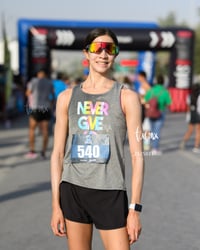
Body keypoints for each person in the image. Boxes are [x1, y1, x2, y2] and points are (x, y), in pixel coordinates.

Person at [50, 28, 144, 250]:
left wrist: (134, 209)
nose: (103, 54)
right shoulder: (66, 98)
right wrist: (56, 205)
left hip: (110, 192)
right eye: (97, 48)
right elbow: (58, 154)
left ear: (116, 54)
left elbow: (138, 157)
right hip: (73, 190)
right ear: (86, 53)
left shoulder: (127, 97)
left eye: (109, 49)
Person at [25, 69, 54, 159]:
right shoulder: (49, 83)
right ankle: (43, 152)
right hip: (45, 108)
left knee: (32, 129)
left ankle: (32, 150)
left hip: (35, 107)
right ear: (45, 75)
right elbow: (52, 96)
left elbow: (28, 93)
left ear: (38, 74)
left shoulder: (33, 81)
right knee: (45, 131)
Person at [144, 74, 172, 155]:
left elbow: (146, 100)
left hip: (150, 113)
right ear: (163, 82)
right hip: (160, 112)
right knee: (157, 131)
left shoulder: (151, 90)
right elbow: (169, 103)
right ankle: (155, 149)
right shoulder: (165, 91)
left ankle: (152, 145)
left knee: (152, 130)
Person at [179, 83, 200, 153]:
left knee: (190, 130)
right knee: (198, 131)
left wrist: (188, 115)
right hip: (198, 114)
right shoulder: (199, 96)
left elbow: (188, 107)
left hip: (191, 113)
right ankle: (196, 146)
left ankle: (183, 141)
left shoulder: (189, 96)